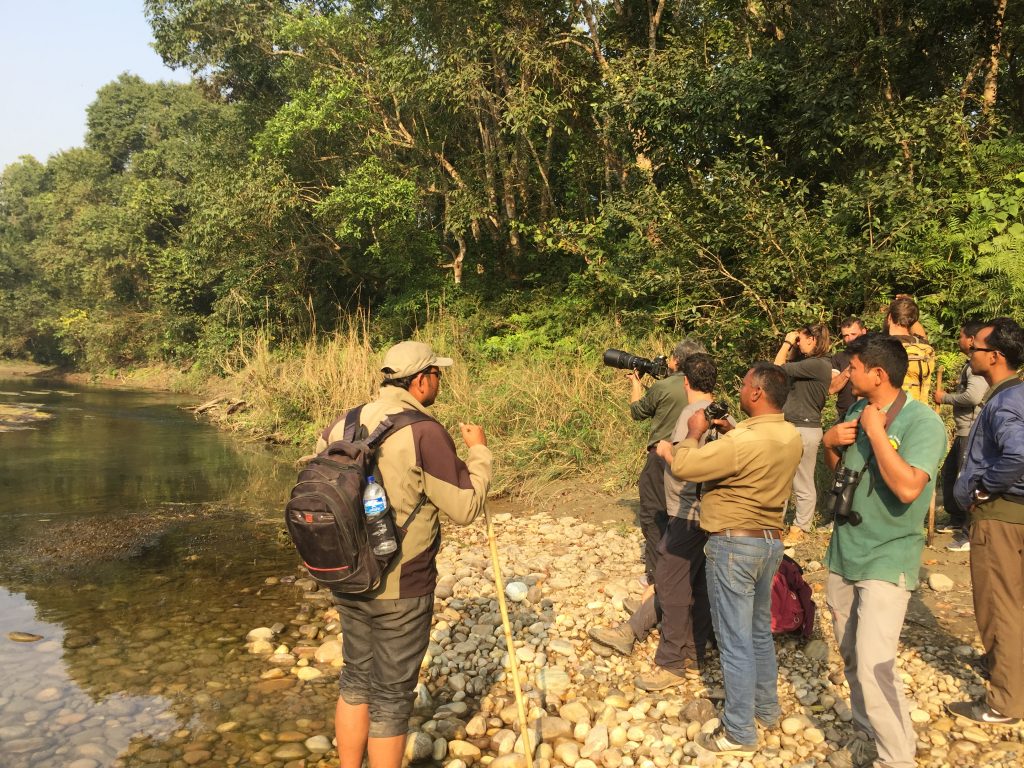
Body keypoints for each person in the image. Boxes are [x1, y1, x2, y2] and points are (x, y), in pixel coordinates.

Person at [315, 341, 492, 768]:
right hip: (401, 583)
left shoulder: (343, 422)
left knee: (355, 678)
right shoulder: (424, 431)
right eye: (437, 374)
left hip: (346, 573)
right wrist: (480, 453)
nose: (439, 381)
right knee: (392, 696)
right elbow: (466, 507)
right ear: (420, 380)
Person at [664, 362, 803, 756]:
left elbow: (685, 466)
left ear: (756, 393)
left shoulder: (742, 443)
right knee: (758, 632)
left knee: (734, 639)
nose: (740, 390)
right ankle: (767, 708)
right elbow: (749, 450)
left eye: (744, 385)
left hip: (732, 546)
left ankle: (739, 731)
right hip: (769, 543)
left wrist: (690, 436)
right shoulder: (789, 434)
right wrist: (729, 430)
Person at [822, 334, 946, 768]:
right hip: (844, 551)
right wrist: (829, 446)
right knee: (851, 653)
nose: (845, 374)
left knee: (876, 665)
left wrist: (876, 434)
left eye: (852, 367)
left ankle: (897, 759)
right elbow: (845, 477)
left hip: (888, 554)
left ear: (877, 374)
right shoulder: (858, 410)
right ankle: (865, 731)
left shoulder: (924, 423)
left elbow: (910, 487)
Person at [588, 354, 720, 688]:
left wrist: (664, 452)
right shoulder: (723, 412)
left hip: (686, 510)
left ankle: (671, 661)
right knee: (699, 583)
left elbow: (682, 462)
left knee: (671, 581)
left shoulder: (691, 415)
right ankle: (694, 653)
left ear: (686, 381)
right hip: (711, 512)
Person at [947, 317, 1024, 727]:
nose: (969, 352)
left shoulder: (1005, 400)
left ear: (994, 356)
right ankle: (1011, 675)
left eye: (975, 347)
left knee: (999, 608)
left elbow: (1017, 454)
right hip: (1014, 512)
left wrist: (981, 488)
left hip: (1001, 516)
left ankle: (1003, 703)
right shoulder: (1016, 394)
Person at [627, 339, 706, 586]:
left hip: (662, 455)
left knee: (653, 512)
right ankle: (687, 567)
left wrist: (636, 385)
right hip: (695, 456)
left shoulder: (665, 386)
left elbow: (637, 412)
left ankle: (655, 574)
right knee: (685, 513)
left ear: (677, 360)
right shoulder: (702, 387)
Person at [774, 324, 833, 547]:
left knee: (802, 480)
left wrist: (787, 342)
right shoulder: (806, 365)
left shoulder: (818, 365)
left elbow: (776, 369)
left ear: (814, 340)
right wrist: (794, 347)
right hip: (792, 425)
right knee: (781, 478)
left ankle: (800, 527)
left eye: (802, 339)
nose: (798, 343)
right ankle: (775, 523)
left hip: (805, 428)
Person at [932, 321, 987, 550]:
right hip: (963, 428)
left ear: (971, 340)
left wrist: (945, 398)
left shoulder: (976, 366)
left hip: (971, 429)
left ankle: (968, 532)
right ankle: (956, 520)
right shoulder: (969, 364)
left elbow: (973, 397)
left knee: (966, 479)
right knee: (949, 473)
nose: (958, 340)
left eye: (961, 336)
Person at [885, 296, 935, 403]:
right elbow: (921, 335)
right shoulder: (924, 348)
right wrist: (909, 307)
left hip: (888, 411)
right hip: (919, 410)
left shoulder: (882, 346)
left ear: (889, 317)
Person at [830, 317, 868, 421]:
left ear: (864, 331)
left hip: (870, 413)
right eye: (846, 335)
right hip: (844, 415)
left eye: (853, 334)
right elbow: (832, 388)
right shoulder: (838, 358)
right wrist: (849, 369)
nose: (850, 339)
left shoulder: (875, 355)